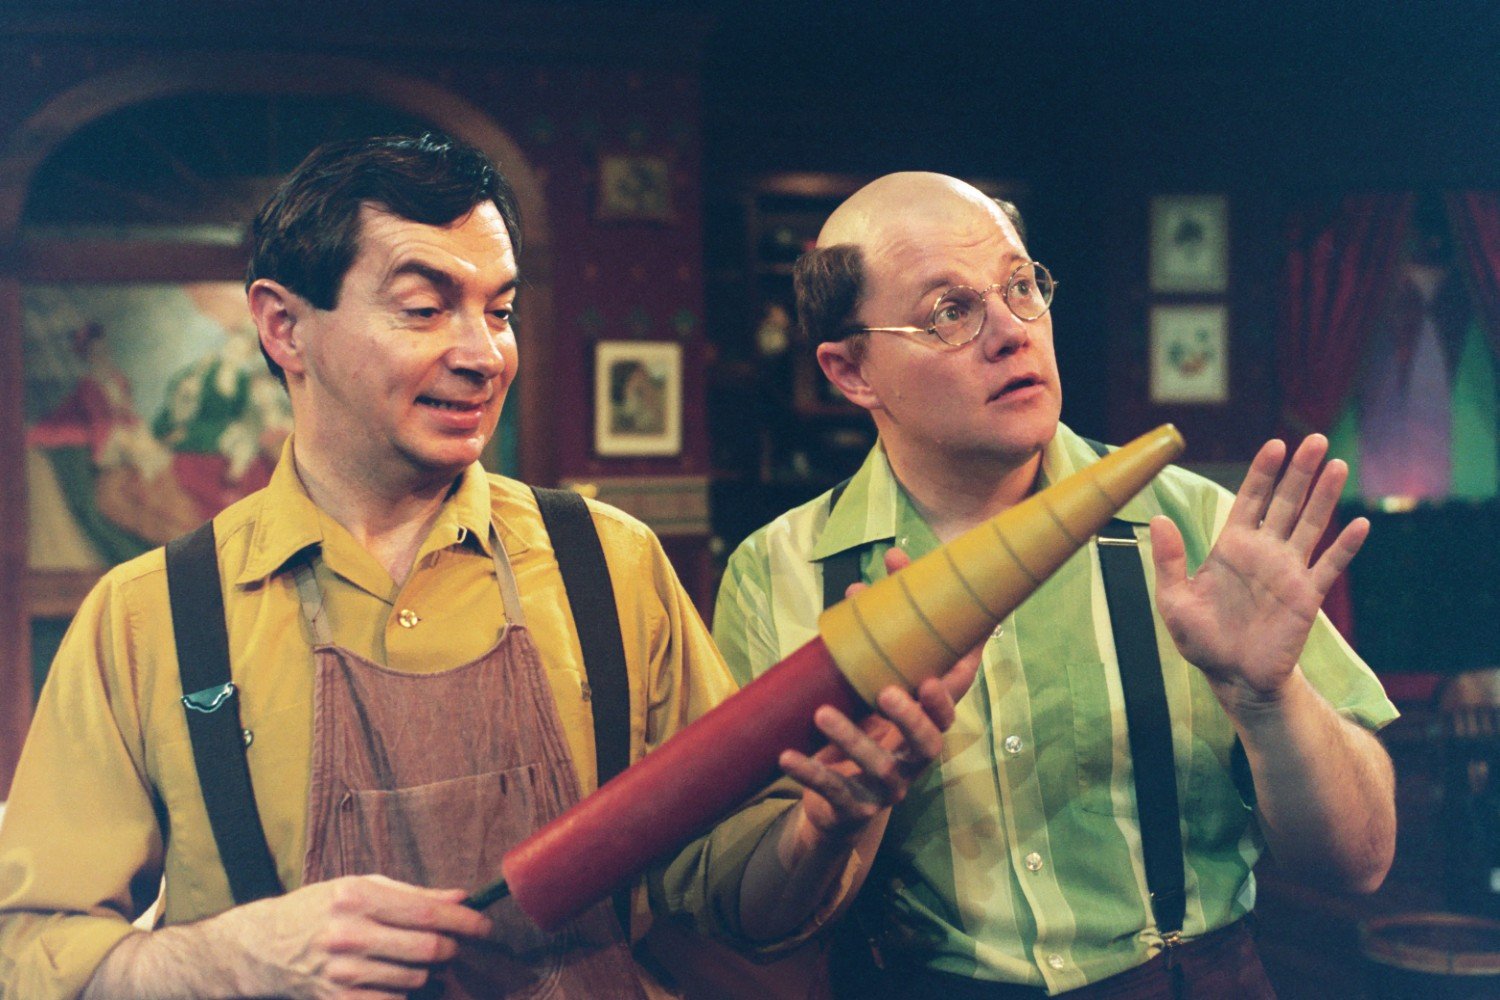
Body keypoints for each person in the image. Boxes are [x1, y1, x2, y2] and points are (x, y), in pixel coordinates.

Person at [0, 137, 970, 1000]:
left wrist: (829, 821)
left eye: (499, 310)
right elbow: (24, 946)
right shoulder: (151, 615)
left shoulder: (611, 564)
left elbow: (724, 895)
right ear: (284, 328)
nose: (481, 353)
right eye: (425, 308)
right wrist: (226, 961)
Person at [713, 172, 1398, 998]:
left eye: (1020, 286)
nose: (1011, 331)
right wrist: (832, 823)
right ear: (852, 371)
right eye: (950, 312)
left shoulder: (1197, 532)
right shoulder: (779, 573)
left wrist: (1266, 699)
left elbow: (1361, 862)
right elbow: (749, 921)